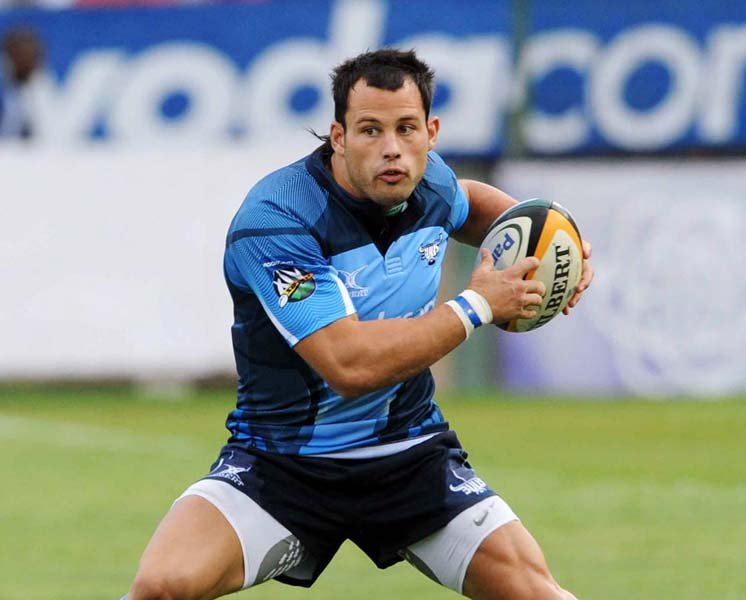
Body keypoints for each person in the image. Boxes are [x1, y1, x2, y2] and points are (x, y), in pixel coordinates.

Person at [125, 48, 593, 600]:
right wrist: (477, 305)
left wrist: (551, 245)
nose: (392, 148)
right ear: (339, 137)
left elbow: (467, 200)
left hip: (409, 453)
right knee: (161, 588)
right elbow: (347, 364)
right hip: (282, 464)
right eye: (370, 130)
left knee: (537, 592)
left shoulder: (430, 184)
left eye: (406, 129)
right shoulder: (277, 221)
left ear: (431, 133)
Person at [0, 27, 43, 139]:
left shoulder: (39, 93)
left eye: (30, 55)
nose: (24, 60)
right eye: (19, 54)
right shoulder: (5, 92)